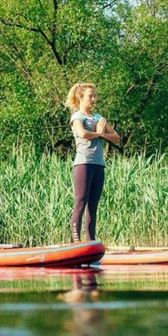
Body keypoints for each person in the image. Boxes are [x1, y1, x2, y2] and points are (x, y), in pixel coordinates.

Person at [65, 83, 120, 243]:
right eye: (91, 96)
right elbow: (83, 133)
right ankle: (76, 242)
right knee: (81, 202)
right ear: (81, 98)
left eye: (95, 96)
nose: (94, 99)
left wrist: (102, 134)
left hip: (98, 164)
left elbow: (115, 136)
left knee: (93, 205)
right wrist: (99, 133)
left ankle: (90, 242)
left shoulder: (98, 118)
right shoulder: (77, 117)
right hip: (83, 164)